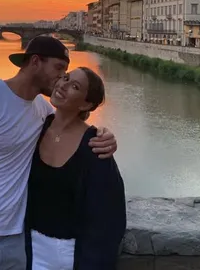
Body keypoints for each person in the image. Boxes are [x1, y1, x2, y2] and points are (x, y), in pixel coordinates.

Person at [0, 36, 118, 270]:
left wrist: (103, 135)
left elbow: (71, 125)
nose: (61, 79)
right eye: (59, 69)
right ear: (35, 62)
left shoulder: (43, 111)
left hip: (13, 243)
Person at [25, 67, 126, 270]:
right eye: (65, 78)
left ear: (86, 104)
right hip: (26, 249)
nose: (63, 85)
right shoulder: (36, 127)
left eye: (75, 86)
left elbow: (108, 217)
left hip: (69, 256)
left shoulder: (95, 147)